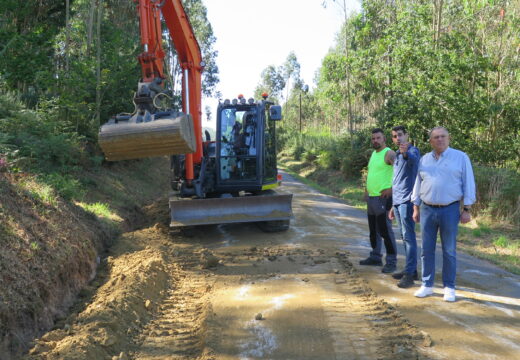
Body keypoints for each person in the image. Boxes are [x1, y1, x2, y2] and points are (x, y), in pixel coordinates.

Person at [411, 126, 476, 302]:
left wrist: (467, 209)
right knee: (426, 249)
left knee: (449, 250)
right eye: (436, 137)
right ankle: (427, 285)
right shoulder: (424, 159)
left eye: (443, 136)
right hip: (427, 209)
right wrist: (415, 206)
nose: (440, 139)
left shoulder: (460, 157)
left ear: (449, 138)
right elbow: (418, 183)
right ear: (431, 141)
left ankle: (449, 287)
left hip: (450, 209)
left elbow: (468, 183)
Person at [360, 128, 398, 273]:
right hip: (372, 198)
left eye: (378, 138)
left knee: (385, 231)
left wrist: (392, 189)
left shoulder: (389, 153)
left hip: (383, 199)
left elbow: (400, 172)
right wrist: (366, 191)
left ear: (384, 139)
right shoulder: (373, 154)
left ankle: (391, 262)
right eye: (373, 138)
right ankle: (375, 257)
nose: (375, 140)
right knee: (373, 231)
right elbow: (372, 174)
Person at [388, 126, 420, 288]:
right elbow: (397, 182)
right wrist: (393, 205)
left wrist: (406, 152)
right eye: (394, 136)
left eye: (400, 135)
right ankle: (411, 269)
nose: (398, 138)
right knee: (404, 236)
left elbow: (413, 160)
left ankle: (409, 275)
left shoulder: (412, 151)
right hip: (398, 201)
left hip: (407, 202)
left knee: (409, 237)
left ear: (407, 135)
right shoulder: (398, 156)